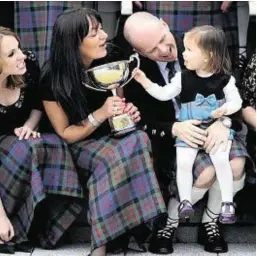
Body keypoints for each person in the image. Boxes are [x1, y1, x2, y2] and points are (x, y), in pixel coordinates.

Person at [40, 8, 166, 256]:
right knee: (112, 160)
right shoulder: (51, 78)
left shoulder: (111, 57)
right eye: (95, 32)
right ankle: (109, 240)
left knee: (139, 138)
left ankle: (105, 241)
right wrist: (100, 114)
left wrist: (126, 112)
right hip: (77, 144)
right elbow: (66, 133)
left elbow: (116, 106)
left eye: (101, 29)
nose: (104, 35)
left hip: (113, 138)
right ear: (74, 42)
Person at [123, 12, 249, 254]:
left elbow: (233, 93)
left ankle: (210, 223)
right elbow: (143, 119)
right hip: (174, 140)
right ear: (138, 51)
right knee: (207, 172)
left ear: (164, 23)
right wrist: (174, 128)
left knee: (235, 164)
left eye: (163, 39)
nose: (164, 50)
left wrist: (223, 122)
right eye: (152, 49)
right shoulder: (136, 71)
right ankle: (169, 224)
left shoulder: (200, 42)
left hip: (217, 127)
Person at [0, 26, 84, 254]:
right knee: (19, 151)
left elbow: (38, 102)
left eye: (19, 48)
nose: (22, 56)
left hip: (16, 135)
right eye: (11, 54)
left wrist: (28, 126)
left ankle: (28, 226)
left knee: (39, 145)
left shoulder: (28, 64)